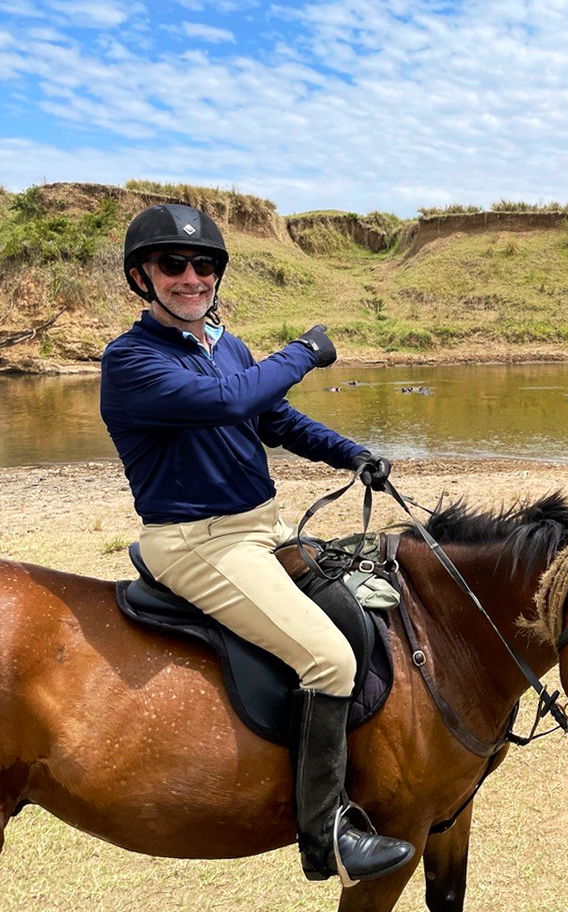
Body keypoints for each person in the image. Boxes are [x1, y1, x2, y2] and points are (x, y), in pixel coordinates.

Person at [99, 203, 413, 886]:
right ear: (141, 278)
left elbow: (273, 417)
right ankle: (326, 835)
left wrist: (351, 454)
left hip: (264, 526)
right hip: (198, 543)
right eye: (172, 265)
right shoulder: (130, 359)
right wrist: (303, 351)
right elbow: (227, 405)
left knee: (361, 618)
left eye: (203, 264)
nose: (191, 276)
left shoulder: (226, 347)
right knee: (329, 659)